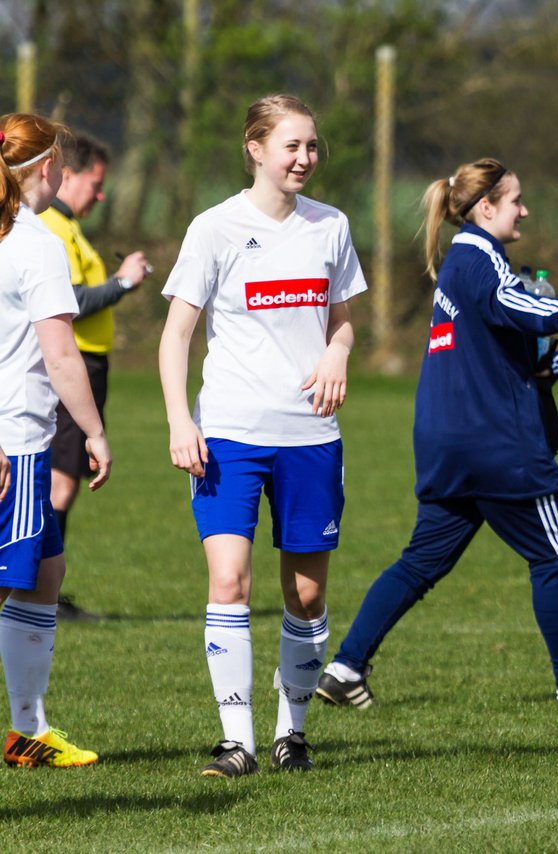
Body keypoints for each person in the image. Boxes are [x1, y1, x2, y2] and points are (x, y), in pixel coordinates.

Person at [317, 157, 558, 712]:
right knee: (554, 557)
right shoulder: (477, 258)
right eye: (516, 201)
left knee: (421, 561)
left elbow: (489, 349)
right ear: (486, 207)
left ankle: (345, 667)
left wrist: (544, 366)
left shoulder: (466, 264)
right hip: (496, 444)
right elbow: (511, 303)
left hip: (449, 441)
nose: (524, 210)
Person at [158, 94, 367, 778]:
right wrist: (179, 420)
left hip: (310, 436)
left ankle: (292, 733)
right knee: (230, 580)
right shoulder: (214, 229)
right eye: (292, 146)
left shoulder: (330, 227)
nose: (305, 158)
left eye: (312, 146)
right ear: (255, 148)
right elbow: (176, 336)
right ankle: (236, 741)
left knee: (306, 594)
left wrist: (338, 352)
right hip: (229, 434)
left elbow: (342, 319)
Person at [0, 112, 112, 768]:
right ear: (48, 169)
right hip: (14, 442)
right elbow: (62, 355)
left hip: (20, 438)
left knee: (46, 572)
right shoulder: (35, 241)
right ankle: (25, 728)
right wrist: (95, 431)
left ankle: (27, 730)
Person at [38, 132, 153, 621]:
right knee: (59, 485)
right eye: (96, 183)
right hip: (72, 366)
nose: (100, 195)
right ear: (67, 174)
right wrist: (123, 282)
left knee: (61, 483)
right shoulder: (52, 230)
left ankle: (39, 588)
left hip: (89, 367)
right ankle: (39, 591)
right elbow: (70, 304)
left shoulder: (68, 229)